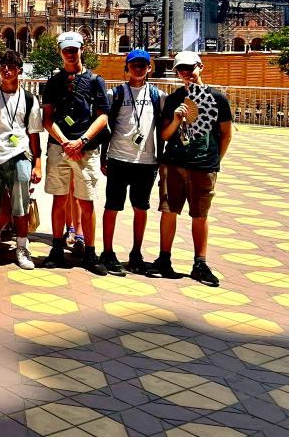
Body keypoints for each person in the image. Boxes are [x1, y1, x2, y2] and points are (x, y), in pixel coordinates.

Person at [146, 51, 232, 286]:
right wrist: (175, 120)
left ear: (200, 67)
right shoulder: (174, 99)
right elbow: (164, 134)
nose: (186, 73)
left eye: (189, 68)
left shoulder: (217, 99)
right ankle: (164, 259)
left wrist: (214, 160)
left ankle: (200, 263)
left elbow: (225, 134)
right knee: (168, 211)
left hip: (203, 166)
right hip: (174, 163)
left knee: (200, 214)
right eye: (181, 70)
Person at [40, 31, 110, 274]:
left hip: (86, 149)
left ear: (82, 50)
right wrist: (66, 142)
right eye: (66, 50)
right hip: (60, 148)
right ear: (60, 52)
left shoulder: (95, 81)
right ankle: (57, 247)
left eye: (74, 49)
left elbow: (102, 116)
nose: (70, 54)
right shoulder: (54, 82)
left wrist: (81, 141)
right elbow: (47, 118)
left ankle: (90, 252)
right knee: (59, 199)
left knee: (86, 201)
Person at [0, 50, 43, 269]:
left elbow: (34, 134)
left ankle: (22, 247)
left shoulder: (29, 99)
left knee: (20, 205)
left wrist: (38, 164)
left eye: (11, 66)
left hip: (20, 156)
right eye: (2, 65)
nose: (6, 69)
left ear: (19, 71)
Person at [100, 50, 165, 275]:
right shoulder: (115, 94)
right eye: (134, 65)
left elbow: (164, 129)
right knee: (112, 207)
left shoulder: (158, 96)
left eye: (143, 65)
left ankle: (136, 252)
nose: (139, 68)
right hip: (118, 158)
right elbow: (105, 128)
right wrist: (103, 156)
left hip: (146, 162)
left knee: (141, 208)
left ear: (149, 68)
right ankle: (107, 252)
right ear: (127, 68)